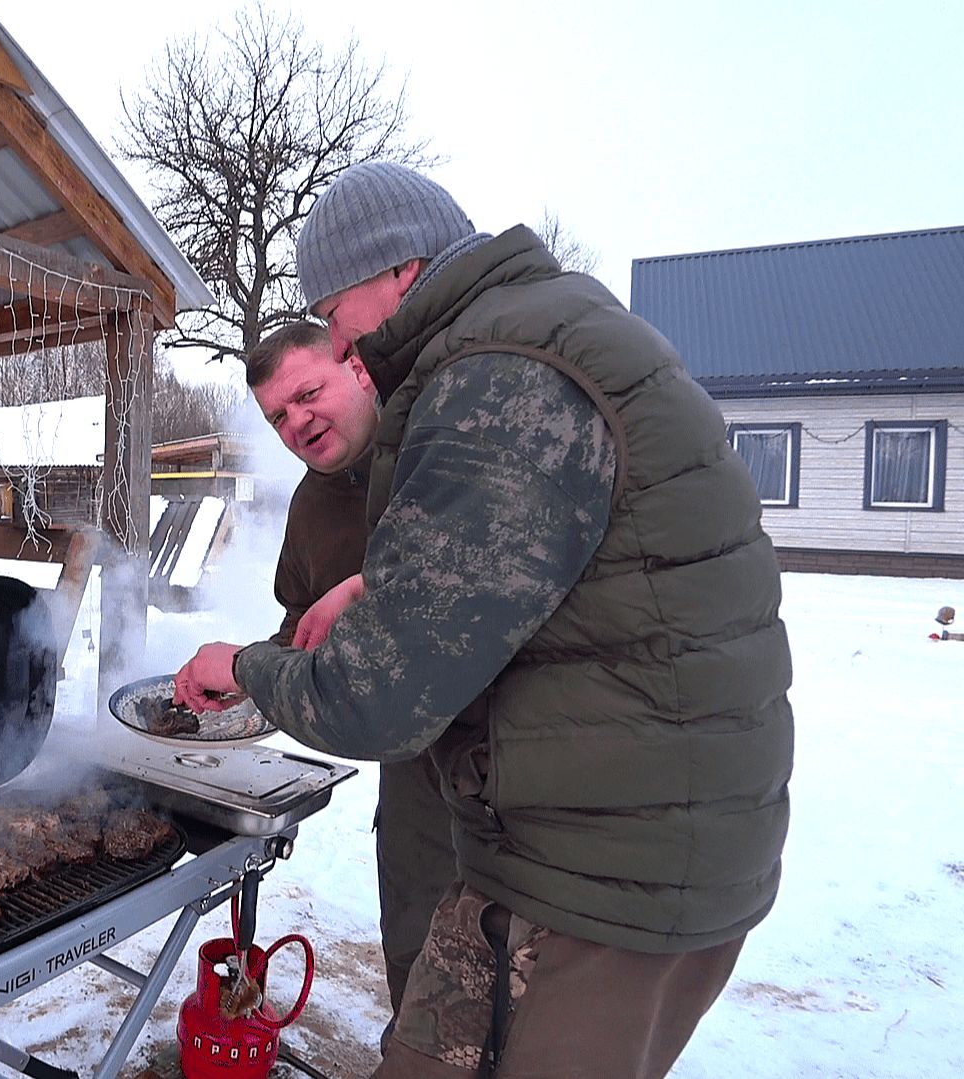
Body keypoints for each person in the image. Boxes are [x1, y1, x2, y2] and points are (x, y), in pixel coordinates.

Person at [175, 162, 793, 1079]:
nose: (346, 344)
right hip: (573, 830)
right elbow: (524, 568)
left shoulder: (503, 377)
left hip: (606, 868)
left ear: (396, 273)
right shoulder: (539, 335)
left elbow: (375, 698)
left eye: (336, 315)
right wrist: (376, 591)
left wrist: (245, 666)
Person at [250, 319, 457, 1024]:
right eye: (278, 415)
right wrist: (248, 677)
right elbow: (299, 620)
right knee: (419, 951)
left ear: (357, 371)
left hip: (519, 756)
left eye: (308, 393)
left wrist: (370, 587)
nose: (296, 421)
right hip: (412, 768)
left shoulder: (439, 446)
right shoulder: (310, 505)